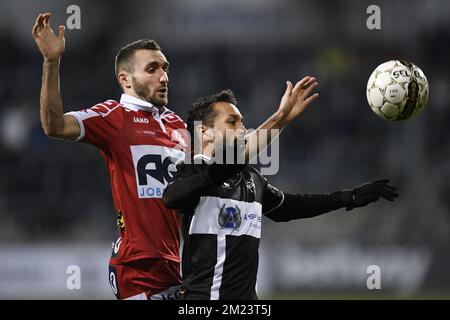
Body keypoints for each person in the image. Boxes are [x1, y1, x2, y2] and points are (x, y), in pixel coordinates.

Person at [32, 12, 320, 300]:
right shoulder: (113, 117)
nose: (164, 76)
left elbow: (232, 157)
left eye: (165, 68)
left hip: (177, 266)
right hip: (137, 267)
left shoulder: (177, 126)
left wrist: (280, 119)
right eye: (152, 68)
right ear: (125, 79)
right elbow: (54, 125)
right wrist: (51, 60)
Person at [162, 89, 399, 300]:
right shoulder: (192, 170)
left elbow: (289, 207)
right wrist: (279, 119)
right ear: (204, 132)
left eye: (242, 122)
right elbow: (171, 197)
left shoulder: (251, 178)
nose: (243, 129)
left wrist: (349, 197)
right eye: (232, 121)